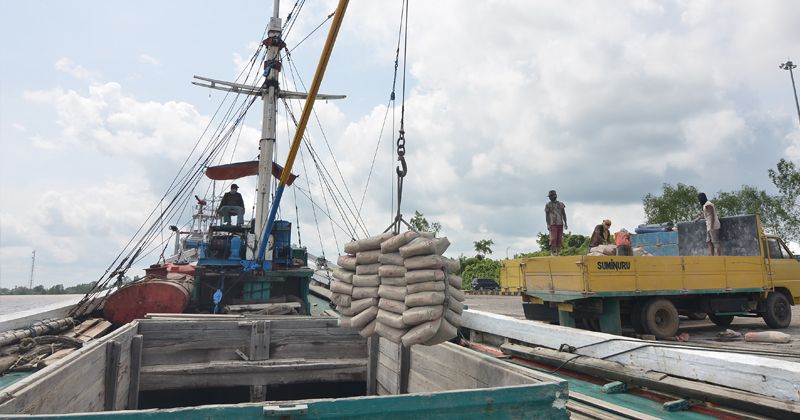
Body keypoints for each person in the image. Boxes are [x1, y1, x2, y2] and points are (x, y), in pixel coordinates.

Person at [544, 190, 567, 256]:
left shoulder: (561, 204)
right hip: (552, 224)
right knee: (553, 239)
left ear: (555, 195)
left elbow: (564, 214)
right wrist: (548, 224)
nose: (550, 197)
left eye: (551, 196)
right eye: (549, 196)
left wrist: (565, 223)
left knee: (559, 239)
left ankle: (558, 252)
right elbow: (547, 216)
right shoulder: (548, 205)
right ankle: (553, 253)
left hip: (560, 223)